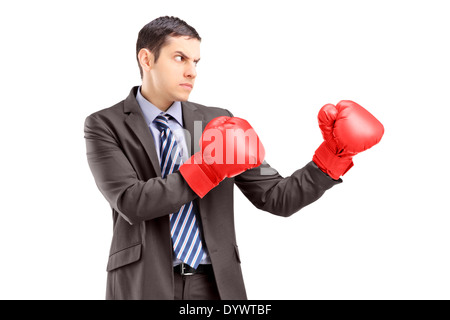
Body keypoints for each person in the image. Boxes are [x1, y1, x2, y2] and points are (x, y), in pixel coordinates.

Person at [84, 16, 384, 300]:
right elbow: (131, 202)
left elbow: (276, 197)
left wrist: (332, 156)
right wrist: (209, 168)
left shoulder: (219, 121)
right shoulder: (105, 124)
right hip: (143, 283)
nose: (192, 71)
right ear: (146, 59)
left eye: (196, 61)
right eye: (180, 58)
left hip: (216, 282)